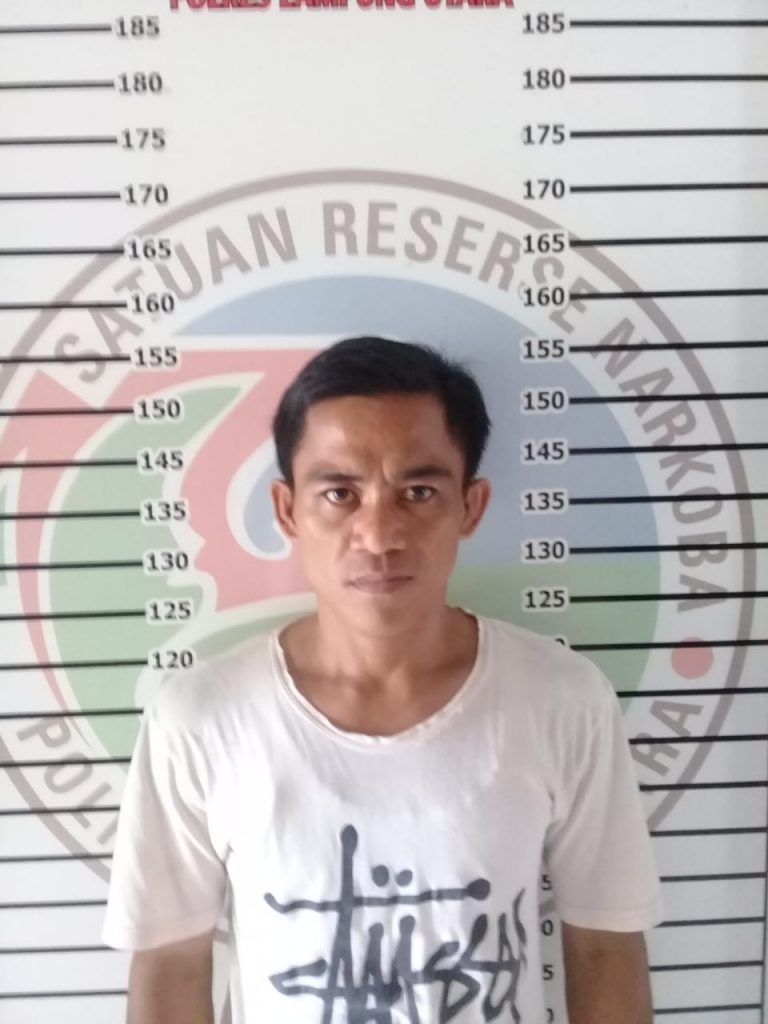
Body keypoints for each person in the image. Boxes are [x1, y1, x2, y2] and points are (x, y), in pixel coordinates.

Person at [102, 335, 664, 1024]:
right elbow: (170, 965)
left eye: (418, 492)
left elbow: (606, 945)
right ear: (287, 510)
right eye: (340, 493)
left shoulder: (564, 699)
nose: (379, 534)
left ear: (471, 506)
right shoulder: (200, 718)